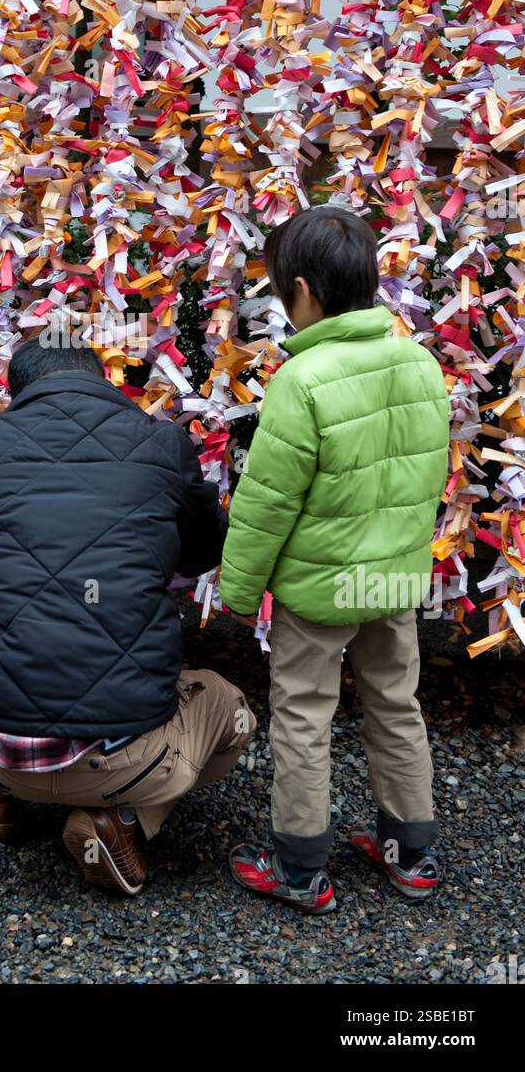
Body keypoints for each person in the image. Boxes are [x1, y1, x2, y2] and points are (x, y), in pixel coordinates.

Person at [0, 338, 256, 896]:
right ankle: (122, 820)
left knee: (5, 638)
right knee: (228, 707)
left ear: (18, 393)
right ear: (103, 380)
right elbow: (204, 551)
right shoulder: (162, 443)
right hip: (120, 761)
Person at [221, 206, 449, 914]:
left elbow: (267, 501)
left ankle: (301, 866)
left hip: (319, 587)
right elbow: (426, 478)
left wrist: (238, 588)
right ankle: (411, 852)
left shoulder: (303, 379)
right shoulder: (419, 362)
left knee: (303, 713)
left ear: (303, 291)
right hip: (393, 578)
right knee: (394, 703)